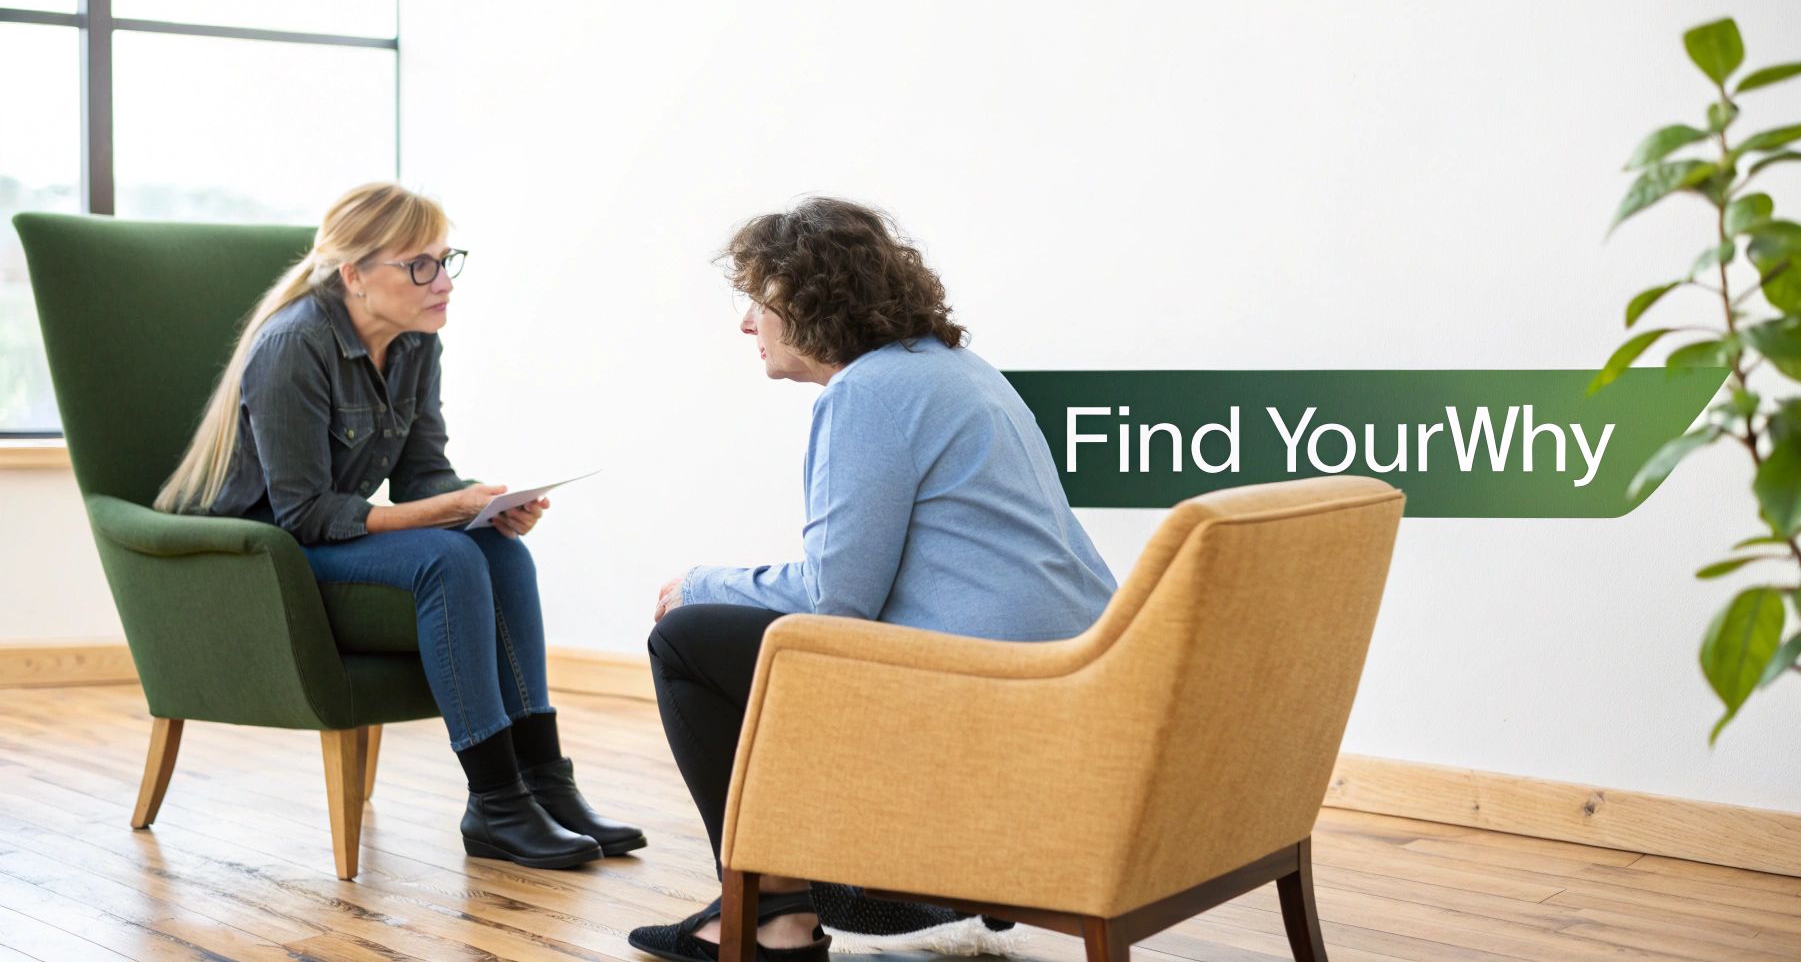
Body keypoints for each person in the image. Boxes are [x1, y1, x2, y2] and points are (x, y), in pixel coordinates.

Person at [629, 197, 1117, 962]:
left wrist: (701, 582)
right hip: (1067, 676)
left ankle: (773, 913)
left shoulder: (866, 393)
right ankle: (830, 891)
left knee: (686, 637)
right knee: (743, 630)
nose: (747, 324)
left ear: (806, 300)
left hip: (986, 690)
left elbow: (835, 604)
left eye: (758, 301)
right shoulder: (955, 370)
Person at [154, 181, 644, 870]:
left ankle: (543, 782)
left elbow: (421, 475)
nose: (442, 281)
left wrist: (481, 505)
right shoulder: (293, 346)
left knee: (497, 551)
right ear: (354, 275)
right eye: (421, 264)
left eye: (447, 259)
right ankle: (496, 803)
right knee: (449, 557)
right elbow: (302, 514)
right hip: (262, 557)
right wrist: (442, 514)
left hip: (323, 537)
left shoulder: (415, 341)